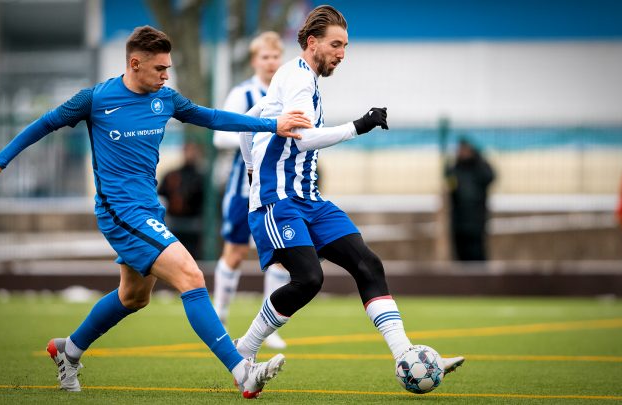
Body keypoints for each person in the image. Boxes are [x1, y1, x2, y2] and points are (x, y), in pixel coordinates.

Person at [0, 26, 312, 398]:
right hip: (118, 211)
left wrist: (272, 125)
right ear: (135, 63)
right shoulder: (95, 99)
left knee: (134, 296)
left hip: (147, 210)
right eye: (160, 68)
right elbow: (44, 124)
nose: (166, 75)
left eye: (168, 68)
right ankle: (242, 370)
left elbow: (213, 118)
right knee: (191, 275)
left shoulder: (166, 99)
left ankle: (69, 350)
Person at [234, 5, 465, 378]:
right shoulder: (296, 78)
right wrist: (359, 125)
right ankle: (244, 349)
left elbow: (248, 125)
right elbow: (304, 138)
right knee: (309, 280)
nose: (342, 54)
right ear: (312, 43)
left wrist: (248, 167)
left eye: (345, 45)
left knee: (368, 264)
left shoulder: (303, 79)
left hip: (309, 199)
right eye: (336, 45)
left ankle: (406, 355)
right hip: (279, 202)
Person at [212, 31, 290, 349]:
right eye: (265, 57)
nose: (271, 63)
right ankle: (220, 315)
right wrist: (261, 135)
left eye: (275, 57)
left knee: (281, 255)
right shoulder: (243, 94)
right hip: (244, 188)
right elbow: (220, 137)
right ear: (255, 61)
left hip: (280, 186)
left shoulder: (288, 93)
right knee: (236, 252)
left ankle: (268, 327)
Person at [445, 138, 496, 261]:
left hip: (477, 223)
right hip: (459, 224)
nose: (462, 152)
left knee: (477, 256)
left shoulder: (479, 168)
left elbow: (490, 177)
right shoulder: (455, 170)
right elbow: (451, 191)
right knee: (461, 256)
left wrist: (478, 159)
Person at [158, 142, 205, 259]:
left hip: (194, 224)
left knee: (193, 257)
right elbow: (161, 196)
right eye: (188, 151)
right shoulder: (172, 175)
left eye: (193, 151)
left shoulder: (202, 177)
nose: (191, 154)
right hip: (175, 223)